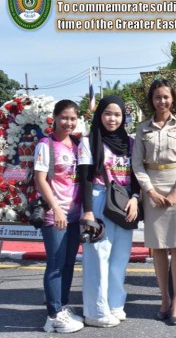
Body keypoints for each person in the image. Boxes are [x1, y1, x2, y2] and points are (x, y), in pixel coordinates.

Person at [132, 78, 176, 326]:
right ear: (151, 100)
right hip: (153, 189)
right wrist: (149, 191)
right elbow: (137, 162)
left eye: (166, 97)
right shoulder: (142, 128)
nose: (162, 101)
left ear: (173, 99)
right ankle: (164, 299)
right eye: (157, 97)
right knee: (158, 247)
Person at [78, 95, 141, 328]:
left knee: (120, 257)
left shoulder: (131, 142)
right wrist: (87, 212)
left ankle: (115, 304)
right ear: (99, 115)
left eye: (117, 114)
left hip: (125, 203)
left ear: (124, 116)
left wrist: (135, 198)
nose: (112, 119)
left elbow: (136, 175)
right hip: (99, 199)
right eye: (107, 113)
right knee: (97, 256)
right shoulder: (89, 141)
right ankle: (95, 311)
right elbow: (84, 178)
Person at [34, 100, 84, 333]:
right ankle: (53, 314)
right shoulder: (46, 144)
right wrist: (55, 208)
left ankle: (62, 306)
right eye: (64, 117)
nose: (68, 122)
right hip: (55, 216)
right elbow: (40, 179)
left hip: (73, 216)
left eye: (73, 118)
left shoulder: (75, 143)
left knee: (68, 264)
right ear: (54, 117)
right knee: (55, 265)